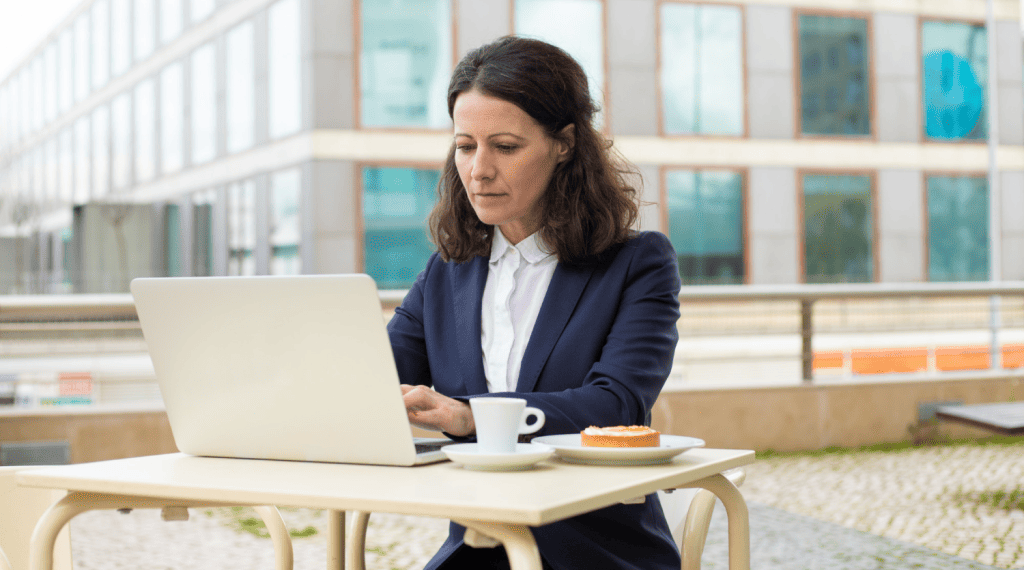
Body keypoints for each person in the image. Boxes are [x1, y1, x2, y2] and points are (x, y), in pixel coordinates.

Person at [387, 35, 683, 570]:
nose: (478, 170)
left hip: (596, 552)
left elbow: (615, 406)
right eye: (464, 146)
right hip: (478, 550)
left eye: (504, 146)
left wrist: (471, 417)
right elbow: (374, 377)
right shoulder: (446, 272)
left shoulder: (638, 265)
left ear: (564, 144)